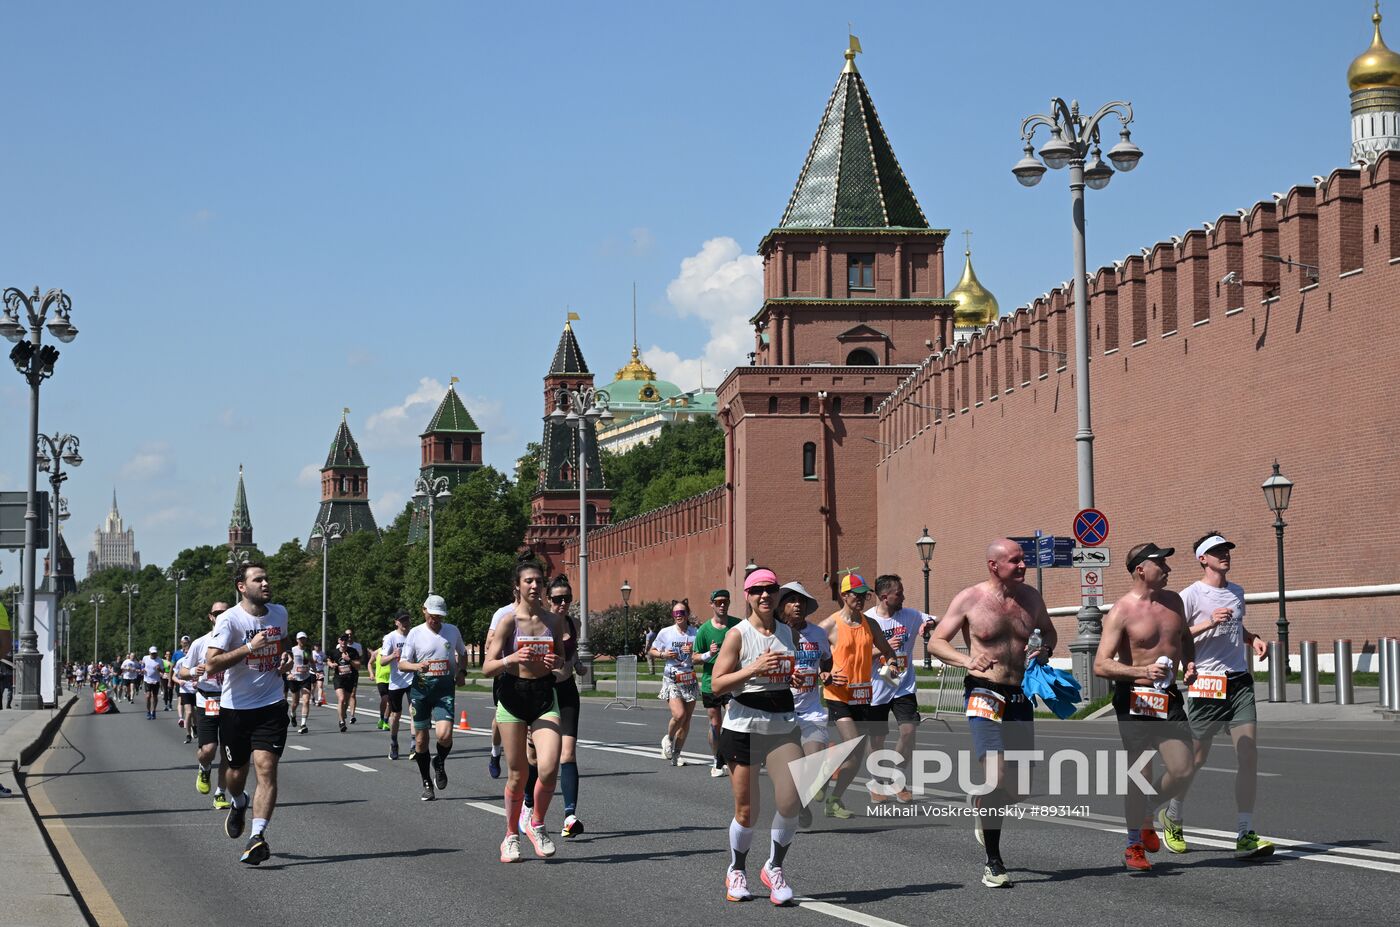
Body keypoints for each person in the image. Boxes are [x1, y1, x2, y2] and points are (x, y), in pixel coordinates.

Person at [928, 539, 1055, 889]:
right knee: (997, 777)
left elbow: (1049, 631)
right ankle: (994, 863)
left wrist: (1045, 650)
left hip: (1019, 695)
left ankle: (982, 802)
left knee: (1020, 788)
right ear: (993, 565)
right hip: (983, 692)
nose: (1022, 565)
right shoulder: (970, 599)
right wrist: (968, 660)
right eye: (1014, 561)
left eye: (1023, 560)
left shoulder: (1031, 598)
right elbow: (936, 642)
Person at [1163, 532, 1275, 859]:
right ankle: (1172, 816)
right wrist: (1205, 627)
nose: (1224, 554)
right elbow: (1176, 635)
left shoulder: (1237, 592)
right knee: (1195, 760)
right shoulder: (1191, 596)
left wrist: (1252, 638)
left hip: (1239, 681)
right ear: (1202, 558)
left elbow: (1235, 627)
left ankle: (1244, 832)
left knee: (1248, 754)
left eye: (1226, 549)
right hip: (1207, 684)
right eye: (1217, 551)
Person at [1094, 543, 1200, 872]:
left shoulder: (1174, 601)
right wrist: (1142, 671)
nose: (1168, 570)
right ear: (1141, 569)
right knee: (1140, 774)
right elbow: (1101, 664)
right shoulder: (1121, 611)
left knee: (1183, 769)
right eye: (1161, 564)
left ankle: (1147, 813)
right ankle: (1133, 845)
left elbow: (1184, 637)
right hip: (1134, 697)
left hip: (1167, 697)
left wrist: (1190, 663)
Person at [713, 568, 804, 906]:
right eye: (758, 590)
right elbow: (718, 683)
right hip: (743, 726)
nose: (765, 595)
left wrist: (794, 678)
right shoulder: (737, 634)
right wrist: (754, 669)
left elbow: (785, 672)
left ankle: (774, 867)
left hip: (782, 723)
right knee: (748, 810)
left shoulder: (787, 633)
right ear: (748, 597)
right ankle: (737, 869)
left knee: (792, 798)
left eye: (771, 589)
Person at [203, 563, 289, 866]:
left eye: (267, 578)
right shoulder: (229, 620)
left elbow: (282, 646)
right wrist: (249, 647)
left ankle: (257, 837)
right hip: (236, 709)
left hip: (271, 705)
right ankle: (238, 803)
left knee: (265, 768)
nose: (265, 583)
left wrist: (285, 659)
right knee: (236, 774)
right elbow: (212, 664)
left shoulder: (280, 613)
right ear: (242, 586)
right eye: (258, 579)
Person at [484, 559, 568, 862]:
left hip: (544, 695)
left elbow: (560, 662)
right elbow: (487, 667)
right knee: (518, 775)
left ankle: (537, 824)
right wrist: (512, 658)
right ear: (517, 587)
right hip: (513, 696)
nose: (535, 586)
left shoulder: (554, 621)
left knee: (548, 767)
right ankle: (510, 835)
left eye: (538, 581)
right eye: (528, 581)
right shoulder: (509, 621)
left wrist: (555, 664)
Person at [817, 573, 897, 819]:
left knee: (857, 754)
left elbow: (888, 651)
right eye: (856, 594)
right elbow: (813, 657)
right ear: (844, 595)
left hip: (863, 696)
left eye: (865, 595)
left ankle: (834, 798)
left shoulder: (869, 624)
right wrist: (824, 674)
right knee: (851, 746)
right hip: (838, 695)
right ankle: (821, 778)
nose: (861, 599)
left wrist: (891, 664)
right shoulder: (828, 625)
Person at [866, 574, 936, 804]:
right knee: (877, 739)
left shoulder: (911, 615)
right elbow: (855, 656)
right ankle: (877, 782)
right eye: (899, 593)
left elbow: (936, 620)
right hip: (876, 687)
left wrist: (929, 624)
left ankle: (897, 779)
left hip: (903, 686)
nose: (903, 596)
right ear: (885, 597)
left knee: (908, 731)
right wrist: (883, 650)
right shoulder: (867, 620)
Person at [398, 595, 467, 801]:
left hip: (444, 692)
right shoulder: (415, 634)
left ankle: (439, 762)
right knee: (421, 740)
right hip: (420, 693)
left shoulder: (452, 631)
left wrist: (462, 672)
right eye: (432, 616)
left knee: (445, 736)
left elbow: (462, 653)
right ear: (424, 611)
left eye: (439, 617)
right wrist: (416, 666)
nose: (435, 620)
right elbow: (402, 664)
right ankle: (427, 782)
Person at [777, 581, 831, 828]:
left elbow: (827, 661)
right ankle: (800, 804)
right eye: (791, 601)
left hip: (811, 710)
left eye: (802, 601)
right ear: (781, 607)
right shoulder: (774, 634)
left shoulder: (818, 634)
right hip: (781, 711)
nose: (798, 605)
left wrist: (825, 673)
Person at [179, 602, 232, 809]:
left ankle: (220, 793)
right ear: (211, 617)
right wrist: (194, 672)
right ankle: (204, 766)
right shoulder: (200, 643)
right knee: (208, 749)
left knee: (229, 750)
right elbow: (182, 672)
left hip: (231, 700)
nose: (221, 615)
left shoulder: (237, 641)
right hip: (207, 699)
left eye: (225, 612)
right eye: (217, 613)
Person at [695, 589, 739, 778]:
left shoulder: (737, 625)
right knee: (715, 724)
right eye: (718, 601)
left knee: (734, 719)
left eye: (725, 601)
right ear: (711, 604)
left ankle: (733, 757)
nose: (722, 604)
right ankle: (716, 759)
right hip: (710, 683)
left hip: (731, 681)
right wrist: (709, 654)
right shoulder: (704, 630)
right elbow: (694, 658)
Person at [651, 600, 699, 766]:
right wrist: (663, 654)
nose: (679, 616)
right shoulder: (666, 632)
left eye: (682, 613)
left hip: (689, 678)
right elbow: (651, 650)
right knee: (679, 715)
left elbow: (700, 656)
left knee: (686, 720)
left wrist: (693, 651)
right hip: (671, 678)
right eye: (676, 613)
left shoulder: (695, 633)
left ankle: (677, 754)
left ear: (687, 614)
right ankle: (668, 739)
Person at [486, 592, 519, 779]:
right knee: (499, 720)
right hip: (505, 674)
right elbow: (489, 641)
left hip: (533, 678)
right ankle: (495, 753)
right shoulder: (503, 613)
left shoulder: (540, 614)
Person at [379, 611, 413, 760]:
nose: (405, 623)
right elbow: (381, 661)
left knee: (414, 712)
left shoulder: (415, 635)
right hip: (396, 682)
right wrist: (393, 655)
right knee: (396, 715)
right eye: (402, 620)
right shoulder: (390, 637)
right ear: (396, 622)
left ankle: (414, 745)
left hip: (412, 679)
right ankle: (393, 742)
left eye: (407, 620)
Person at [282, 631, 315, 734]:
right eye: (300, 639)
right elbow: (287, 663)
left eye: (304, 638)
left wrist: (316, 671)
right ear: (297, 640)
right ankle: (292, 713)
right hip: (294, 678)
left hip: (305, 678)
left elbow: (312, 662)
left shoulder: (308, 650)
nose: (302, 640)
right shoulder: (292, 650)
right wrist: (288, 673)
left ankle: (303, 724)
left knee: (306, 700)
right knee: (295, 703)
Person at [332, 627, 363, 732]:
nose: (344, 642)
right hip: (339, 679)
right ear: (339, 641)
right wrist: (331, 664)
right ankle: (341, 722)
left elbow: (358, 666)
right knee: (341, 699)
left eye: (345, 640)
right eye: (342, 640)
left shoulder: (353, 651)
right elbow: (328, 660)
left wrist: (349, 660)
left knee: (346, 700)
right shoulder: (335, 652)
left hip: (350, 678)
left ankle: (344, 713)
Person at [141, 646, 163, 720]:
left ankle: (153, 711)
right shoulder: (145, 658)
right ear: (149, 652)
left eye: (155, 653)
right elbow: (142, 665)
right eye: (152, 653)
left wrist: (159, 669)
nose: (154, 655)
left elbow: (163, 671)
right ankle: (148, 711)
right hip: (147, 679)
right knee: (148, 696)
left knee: (155, 696)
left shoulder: (160, 660)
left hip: (156, 680)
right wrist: (142, 669)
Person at [311, 642, 327, 707]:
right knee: (313, 687)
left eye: (318, 646)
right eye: (316, 646)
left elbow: (325, 660)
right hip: (313, 671)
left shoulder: (322, 653)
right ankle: (312, 697)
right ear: (314, 647)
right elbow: (309, 661)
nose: (317, 647)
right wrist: (312, 661)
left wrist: (324, 662)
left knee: (320, 686)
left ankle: (320, 699)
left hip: (320, 671)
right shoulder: (312, 653)